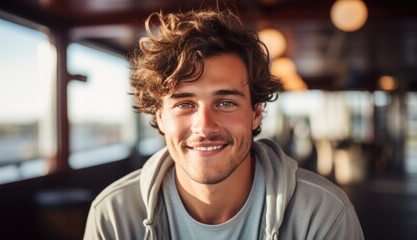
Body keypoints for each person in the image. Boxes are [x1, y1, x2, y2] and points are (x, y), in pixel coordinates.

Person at [83, 9, 364, 240]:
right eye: (184, 104)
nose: (204, 127)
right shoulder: (114, 216)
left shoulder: (323, 214)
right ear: (160, 118)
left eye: (226, 103)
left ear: (256, 114)